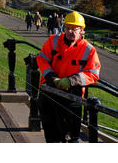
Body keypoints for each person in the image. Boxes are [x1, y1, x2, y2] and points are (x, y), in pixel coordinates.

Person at [36, 11, 101, 142]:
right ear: (64, 27)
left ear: (82, 30)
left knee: (69, 137)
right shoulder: (54, 40)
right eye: (68, 28)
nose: (71, 31)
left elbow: (93, 73)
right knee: (50, 132)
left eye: (75, 29)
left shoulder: (89, 49)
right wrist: (50, 75)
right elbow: (41, 58)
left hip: (71, 99)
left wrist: (72, 81)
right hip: (49, 93)